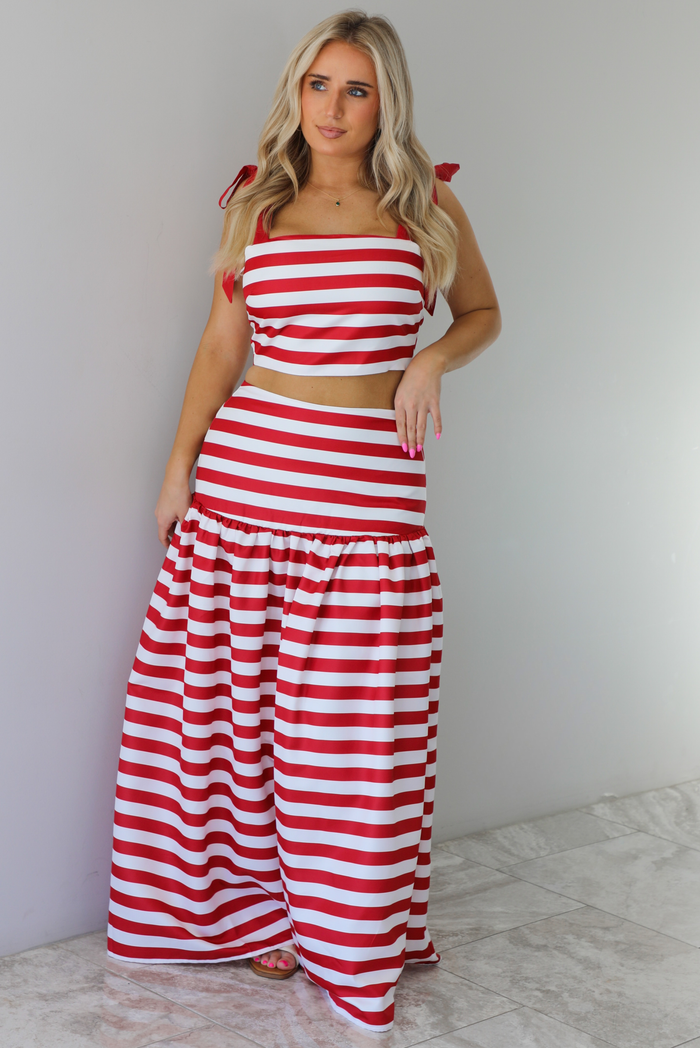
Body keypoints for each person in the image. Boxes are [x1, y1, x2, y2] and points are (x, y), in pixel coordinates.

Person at [106, 8, 501, 1033]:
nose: (332, 107)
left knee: (349, 733)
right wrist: (178, 468)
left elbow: (482, 313)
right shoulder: (258, 199)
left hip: (367, 496)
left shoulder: (426, 201)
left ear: (386, 103)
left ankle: (348, 928)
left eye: (355, 89)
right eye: (318, 84)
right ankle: (260, 916)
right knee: (233, 722)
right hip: (245, 488)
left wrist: (430, 358)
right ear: (296, 90)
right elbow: (220, 347)